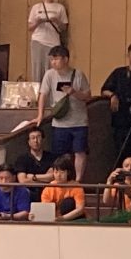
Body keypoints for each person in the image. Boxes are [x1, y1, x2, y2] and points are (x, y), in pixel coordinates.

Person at [38, 45, 92, 182]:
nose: (53, 62)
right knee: (59, 154)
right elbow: (43, 94)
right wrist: (40, 115)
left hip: (79, 121)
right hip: (59, 122)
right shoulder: (49, 74)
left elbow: (88, 96)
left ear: (66, 59)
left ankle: (78, 180)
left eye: (56, 59)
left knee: (80, 151)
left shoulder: (78, 74)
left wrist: (73, 92)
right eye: (51, 59)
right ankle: (60, 179)